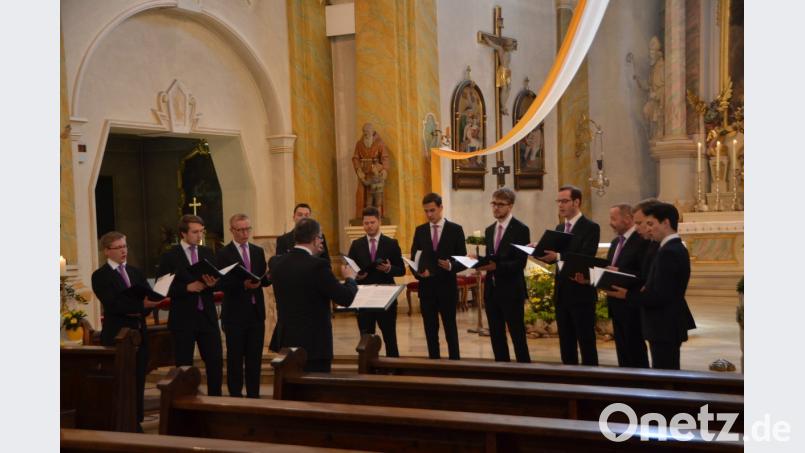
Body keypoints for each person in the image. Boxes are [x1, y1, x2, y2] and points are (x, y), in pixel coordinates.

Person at [608, 202, 696, 370]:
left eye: (651, 224)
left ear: (666, 223)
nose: (648, 229)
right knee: (663, 372)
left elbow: (659, 295)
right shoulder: (668, 248)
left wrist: (626, 295)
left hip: (664, 323)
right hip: (663, 323)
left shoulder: (669, 251)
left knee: (665, 374)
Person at [91, 231, 162, 432]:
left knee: (139, 380)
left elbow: (145, 301)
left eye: (125, 246)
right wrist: (141, 305)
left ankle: (137, 420)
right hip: (117, 336)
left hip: (139, 333)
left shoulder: (135, 272)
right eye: (118, 247)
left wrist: (149, 304)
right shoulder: (100, 276)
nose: (123, 251)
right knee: (121, 383)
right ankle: (120, 421)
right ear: (107, 251)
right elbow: (114, 304)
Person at [269, 218, 358, 372]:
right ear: (315, 238)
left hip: (286, 342)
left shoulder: (276, 263)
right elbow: (345, 298)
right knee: (315, 392)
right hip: (314, 346)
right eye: (320, 237)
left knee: (290, 391)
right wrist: (350, 278)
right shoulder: (318, 266)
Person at [156, 214, 223, 395]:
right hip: (183, 317)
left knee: (215, 361)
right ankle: (185, 402)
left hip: (207, 315)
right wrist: (186, 287)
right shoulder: (170, 256)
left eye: (201, 231)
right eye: (195, 232)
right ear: (183, 234)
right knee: (184, 365)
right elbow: (161, 287)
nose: (199, 236)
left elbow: (217, 279)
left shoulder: (207, 253)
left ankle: (215, 403)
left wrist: (213, 284)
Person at [534, 185, 600, 366]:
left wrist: (559, 256)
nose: (560, 205)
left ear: (576, 202)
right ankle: (569, 378)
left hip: (581, 291)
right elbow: (554, 258)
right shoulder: (560, 227)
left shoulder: (590, 227)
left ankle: (591, 381)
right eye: (559, 202)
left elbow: (586, 256)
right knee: (566, 341)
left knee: (586, 341)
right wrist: (539, 250)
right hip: (562, 292)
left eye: (564, 201)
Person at [215, 214, 271, 398]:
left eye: (248, 228)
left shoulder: (257, 251)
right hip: (235, 315)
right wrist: (242, 285)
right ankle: (236, 396)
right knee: (235, 359)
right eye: (240, 229)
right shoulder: (223, 254)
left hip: (256, 313)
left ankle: (254, 395)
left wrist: (268, 278)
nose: (245, 233)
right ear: (232, 230)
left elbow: (262, 279)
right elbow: (220, 283)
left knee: (255, 359)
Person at [476, 188, 531, 363]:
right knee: (496, 334)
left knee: (517, 334)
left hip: (512, 290)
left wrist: (496, 266)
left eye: (501, 204)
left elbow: (520, 262)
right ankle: (502, 368)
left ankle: (524, 370)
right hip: (492, 290)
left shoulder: (521, 229)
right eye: (494, 204)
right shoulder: (489, 230)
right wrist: (478, 262)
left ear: (510, 206)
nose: (496, 208)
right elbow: (491, 257)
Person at [409, 193, 467, 360]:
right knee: (430, 328)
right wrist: (418, 273)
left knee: (450, 327)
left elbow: (462, 259)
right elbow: (414, 258)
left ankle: (455, 361)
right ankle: (434, 361)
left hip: (447, 287)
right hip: (427, 288)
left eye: (432, 210)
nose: (429, 214)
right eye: (426, 211)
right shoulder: (420, 231)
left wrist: (450, 266)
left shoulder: (455, 230)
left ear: (441, 208)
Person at [348, 207, 405, 357]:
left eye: (372, 222)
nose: (369, 226)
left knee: (389, 337)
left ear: (379, 221)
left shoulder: (391, 243)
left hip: (385, 296)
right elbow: (350, 268)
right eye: (366, 223)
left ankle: (394, 368)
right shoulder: (356, 244)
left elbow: (401, 270)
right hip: (364, 297)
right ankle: (368, 368)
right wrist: (356, 276)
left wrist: (388, 269)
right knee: (366, 339)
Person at [603, 204, 651, 368]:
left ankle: (640, 382)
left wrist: (619, 271)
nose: (611, 223)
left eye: (614, 219)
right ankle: (625, 379)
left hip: (631, 302)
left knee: (635, 347)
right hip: (615, 302)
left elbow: (645, 273)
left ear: (628, 219)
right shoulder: (616, 241)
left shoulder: (642, 240)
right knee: (622, 348)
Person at [352, 123, 391, 218]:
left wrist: (384, 170)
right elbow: (355, 158)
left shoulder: (379, 143)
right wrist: (358, 170)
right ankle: (363, 216)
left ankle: (378, 216)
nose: (365, 134)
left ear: (372, 132)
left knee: (377, 198)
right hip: (363, 174)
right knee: (363, 196)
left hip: (375, 174)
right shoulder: (359, 144)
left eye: (367, 132)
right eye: (364, 132)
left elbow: (385, 158)